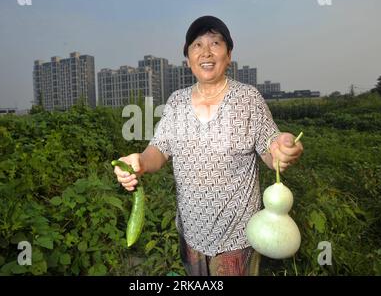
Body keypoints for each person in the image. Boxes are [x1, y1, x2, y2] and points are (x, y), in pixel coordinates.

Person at [113, 16, 304, 276]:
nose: (206, 52)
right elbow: (158, 150)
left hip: (238, 239)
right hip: (190, 235)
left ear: (228, 55)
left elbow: (272, 151)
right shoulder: (177, 102)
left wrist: (283, 149)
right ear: (188, 58)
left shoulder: (248, 99)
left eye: (215, 43)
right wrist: (139, 162)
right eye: (197, 45)